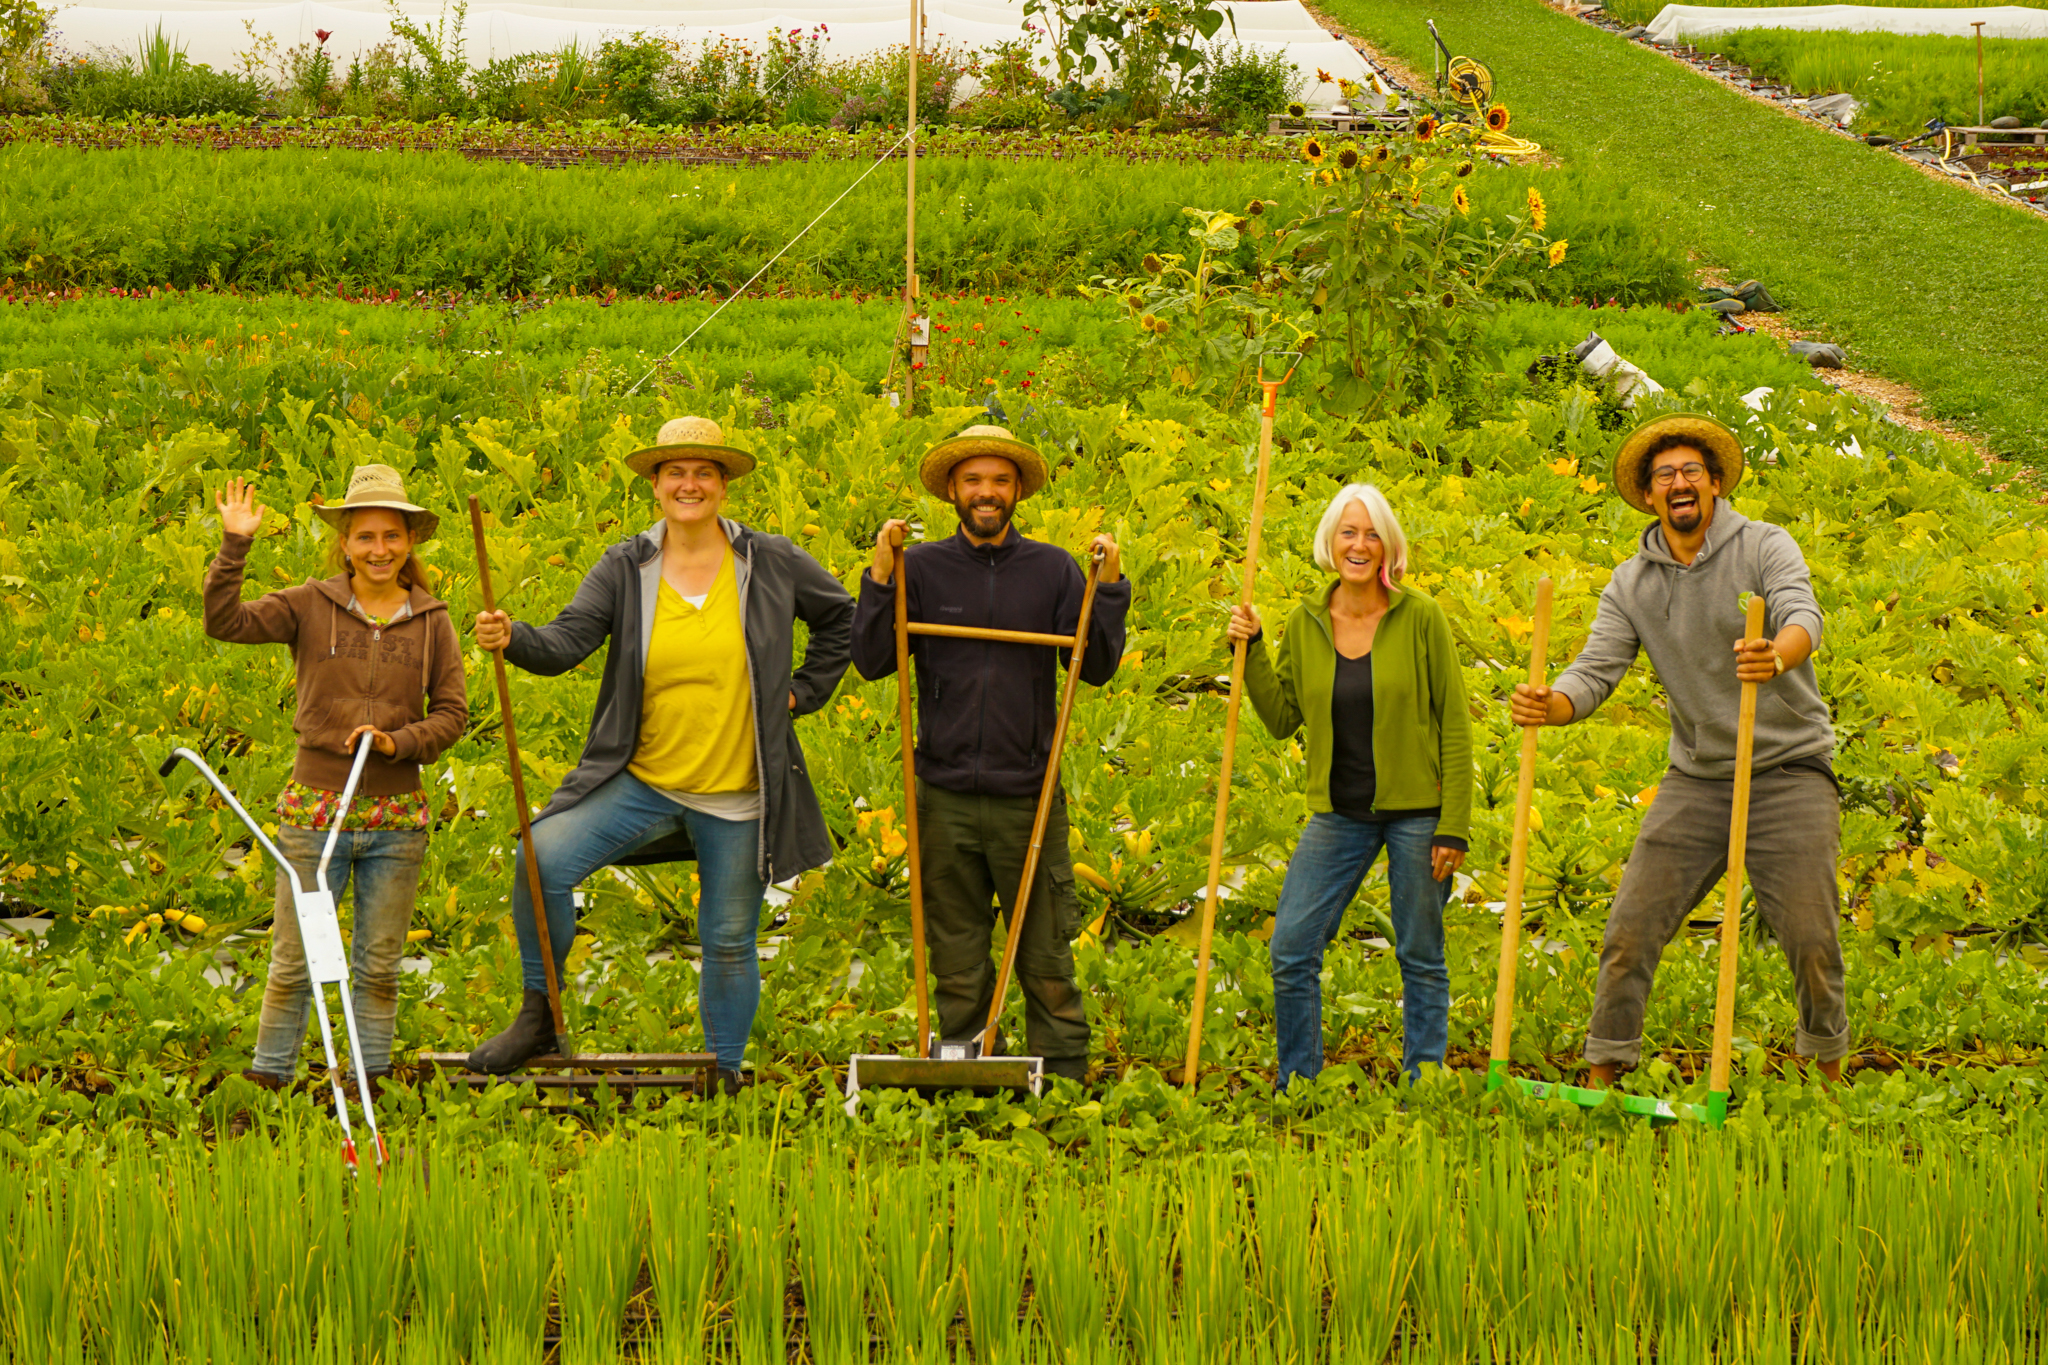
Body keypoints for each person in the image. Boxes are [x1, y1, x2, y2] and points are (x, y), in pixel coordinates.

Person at [466, 417, 854, 1089]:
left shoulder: (772, 559)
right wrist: (512, 636)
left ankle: (724, 1072)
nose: (689, 484)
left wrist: (800, 693)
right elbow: (565, 643)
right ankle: (541, 1015)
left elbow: (841, 617)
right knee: (540, 860)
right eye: (675, 471)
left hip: (739, 792)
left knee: (728, 939)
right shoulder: (627, 566)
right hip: (644, 781)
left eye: (704, 471)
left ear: (724, 485)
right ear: (654, 485)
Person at [1510, 412, 1848, 1085]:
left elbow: (1802, 614)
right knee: (1630, 929)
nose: (1679, 482)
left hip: (1788, 770)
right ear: (1649, 496)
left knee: (1811, 937)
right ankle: (1605, 1069)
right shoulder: (1632, 583)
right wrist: (1554, 705)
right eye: (1664, 475)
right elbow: (1596, 669)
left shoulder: (1764, 546)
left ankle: (1825, 1070)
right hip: (1699, 779)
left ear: (1715, 483)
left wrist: (1775, 656)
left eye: (1692, 469)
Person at [851, 425, 1130, 1082]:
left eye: (1000, 481)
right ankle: (964, 1072)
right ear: (953, 489)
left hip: (1025, 795)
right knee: (957, 953)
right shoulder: (922, 569)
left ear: (1016, 493)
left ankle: (1061, 1081)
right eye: (974, 480)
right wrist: (881, 575)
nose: (987, 492)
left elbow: (1093, 668)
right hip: (942, 793)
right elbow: (869, 661)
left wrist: (1108, 587)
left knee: (1046, 955)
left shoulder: (1053, 570)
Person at [203, 465, 468, 1123]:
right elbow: (224, 620)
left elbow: (453, 714)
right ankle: (267, 1089)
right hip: (315, 811)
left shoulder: (432, 620)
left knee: (378, 966)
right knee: (293, 964)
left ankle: (365, 1086)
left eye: (393, 537)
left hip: (397, 818)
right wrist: (235, 544)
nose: (380, 549)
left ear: (410, 542)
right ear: (345, 542)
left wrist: (398, 743)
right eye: (366, 537)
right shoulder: (307, 604)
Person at [1227, 483, 1472, 1089]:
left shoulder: (1420, 617)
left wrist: (1455, 826)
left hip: (1419, 813)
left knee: (1420, 953)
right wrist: (1252, 649)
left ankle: (1425, 1082)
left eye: (1371, 534)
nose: (1359, 545)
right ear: (1330, 543)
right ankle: (1300, 1083)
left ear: (1389, 546)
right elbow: (1283, 717)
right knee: (1292, 948)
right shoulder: (1306, 622)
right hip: (1339, 813)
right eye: (1348, 532)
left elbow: (1457, 726)